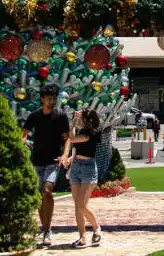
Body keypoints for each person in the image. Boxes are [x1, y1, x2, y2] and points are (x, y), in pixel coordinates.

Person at [23, 88, 70, 247]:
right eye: (49, 98)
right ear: (42, 99)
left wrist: (65, 155)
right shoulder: (34, 115)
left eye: (54, 98)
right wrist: (20, 147)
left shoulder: (61, 116)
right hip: (36, 161)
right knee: (39, 197)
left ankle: (47, 229)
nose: (53, 101)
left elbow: (67, 138)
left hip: (53, 161)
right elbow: (23, 134)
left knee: (47, 191)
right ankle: (44, 228)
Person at [61, 109, 103, 248]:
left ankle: (96, 227)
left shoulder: (92, 132)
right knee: (77, 206)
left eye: (81, 116)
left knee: (81, 204)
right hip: (77, 166)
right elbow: (72, 140)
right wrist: (75, 122)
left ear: (87, 119)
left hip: (88, 168)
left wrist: (73, 123)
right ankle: (82, 237)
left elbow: (72, 138)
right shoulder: (82, 130)